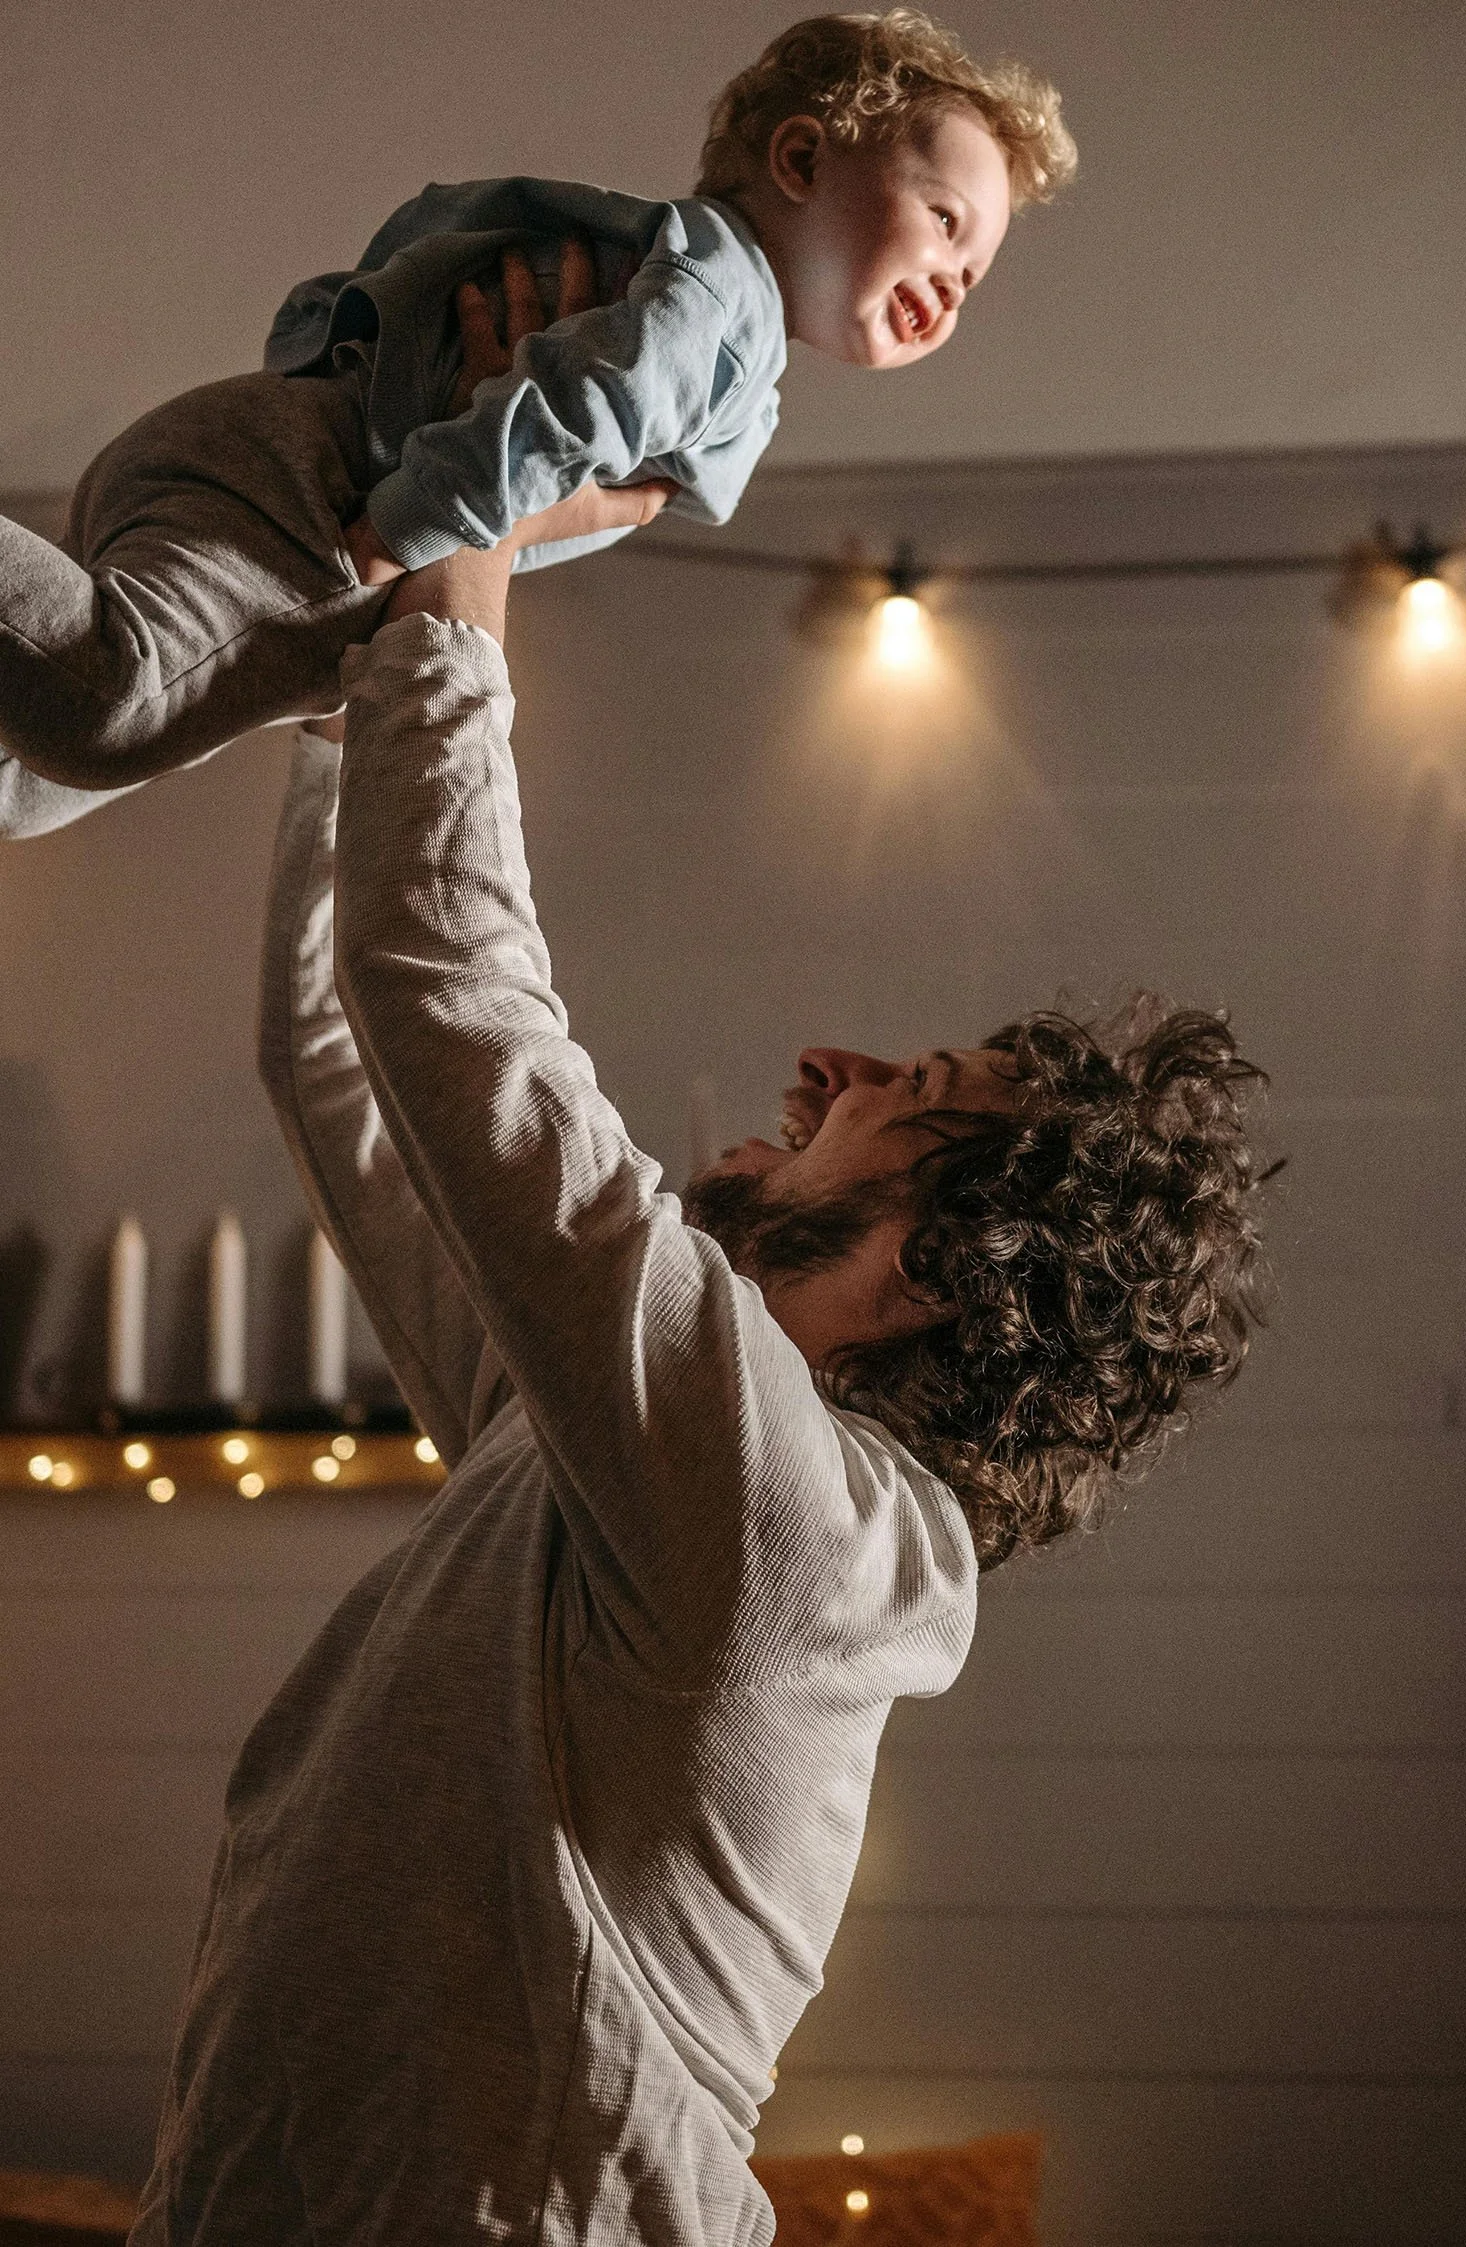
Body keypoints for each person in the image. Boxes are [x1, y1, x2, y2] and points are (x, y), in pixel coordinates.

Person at [128, 476, 1265, 2245]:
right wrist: (355, 701)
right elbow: (341, 1061)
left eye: (902, 1092)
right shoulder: (604, 1460)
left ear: (934, 1267)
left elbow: (454, 998)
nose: (826, 1068)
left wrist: (472, 533)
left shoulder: (784, 1524)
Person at [0, 8, 1076, 840]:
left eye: (975, 274)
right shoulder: (719, 307)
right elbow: (570, 404)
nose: (954, 281)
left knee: (27, 782)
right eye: (945, 222)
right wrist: (403, 531)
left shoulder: (727, 336)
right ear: (800, 162)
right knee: (108, 711)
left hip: (270, 489)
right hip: (310, 499)